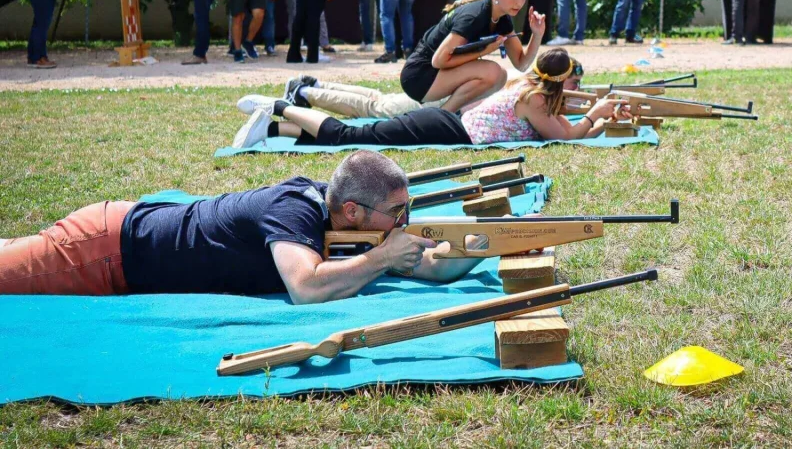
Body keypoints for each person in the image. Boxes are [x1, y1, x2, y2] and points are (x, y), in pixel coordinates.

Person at [0, 151, 494, 304]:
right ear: (351, 211)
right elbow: (305, 288)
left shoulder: (352, 227)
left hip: (124, 234)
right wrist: (382, 259)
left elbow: (426, 267)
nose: (405, 223)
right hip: (105, 252)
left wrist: (476, 245)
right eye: (398, 214)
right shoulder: (292, 214)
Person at [231, 48, 627, 150]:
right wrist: (595, 114)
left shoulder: (529, 87)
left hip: (447, 125)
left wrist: (597, 118)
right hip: (447, 128)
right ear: (559, 83)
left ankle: (273, 126)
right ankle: (282, 106)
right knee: (353, 137)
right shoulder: (537, 99)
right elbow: (564, 136)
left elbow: (565, 127)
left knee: (360, 133)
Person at [398, 0, 545, 113]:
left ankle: (450, 114)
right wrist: (483, 52)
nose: (519, 3)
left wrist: (537, 34)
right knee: (493, 71)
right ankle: (443, 116)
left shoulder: (502, 19)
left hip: (437, 75)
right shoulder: (474, 16)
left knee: (500, 76)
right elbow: (438, 60)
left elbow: (521, 64)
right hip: (419, 76)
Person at [235, 71, 584, 121]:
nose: (577, 91)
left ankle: (312, 85)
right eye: (574, 84)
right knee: (373, 107)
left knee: (375, 96)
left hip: (434, 96)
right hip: (436, 106)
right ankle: (306, 92)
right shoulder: (529, 95)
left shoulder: (518, 83)